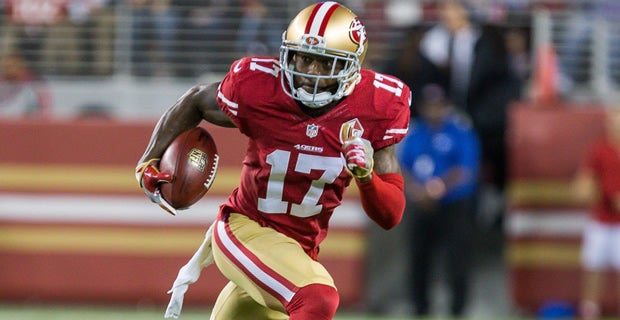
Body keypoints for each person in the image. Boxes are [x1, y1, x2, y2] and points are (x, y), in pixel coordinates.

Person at [134, 2, 411, 319]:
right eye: (304, 58)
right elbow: (196, 100)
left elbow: (390, 215)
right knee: (317, 298)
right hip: (244, 227)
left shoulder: (378, 106)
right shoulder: (260, 87)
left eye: (324, 63)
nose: (309, 73)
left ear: (351, 67)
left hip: (297, 250)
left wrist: (365, 176)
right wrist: (148, 161)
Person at [414, 0, 521, 227]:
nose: (448, 14)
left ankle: (490, 199)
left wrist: (476, 116)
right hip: (445, 117)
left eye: (453, 8)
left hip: (482, 121)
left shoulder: (486, 41)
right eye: (444, 9)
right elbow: (428, 84)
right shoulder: (433, 43)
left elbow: (499, 83)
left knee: (482, 159)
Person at [398, 83, 480, 317]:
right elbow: (403, 166)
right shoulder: (415, 133)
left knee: (457, 258)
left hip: (453, 203)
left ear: (446, 106)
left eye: (438, 105)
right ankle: (419, 306)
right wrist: (417, 190)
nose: (434, 110)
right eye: (429, 105)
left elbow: (466, 169)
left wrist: (438, 188)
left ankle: (458, 308)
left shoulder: (460, 131)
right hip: (421, 203)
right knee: (419, 257)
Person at [572, 108, 620, 320]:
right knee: (593, 268)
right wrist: (589, 190)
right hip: (601, 221)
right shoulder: (600, 150)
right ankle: (590, 308)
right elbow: (583, 182)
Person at [0, 51, 52, 118]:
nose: (7, 70)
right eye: (6, 67)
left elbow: (45, 106)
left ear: (19, 65)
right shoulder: (3, 82)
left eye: (10, 66)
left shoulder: (33, 83)